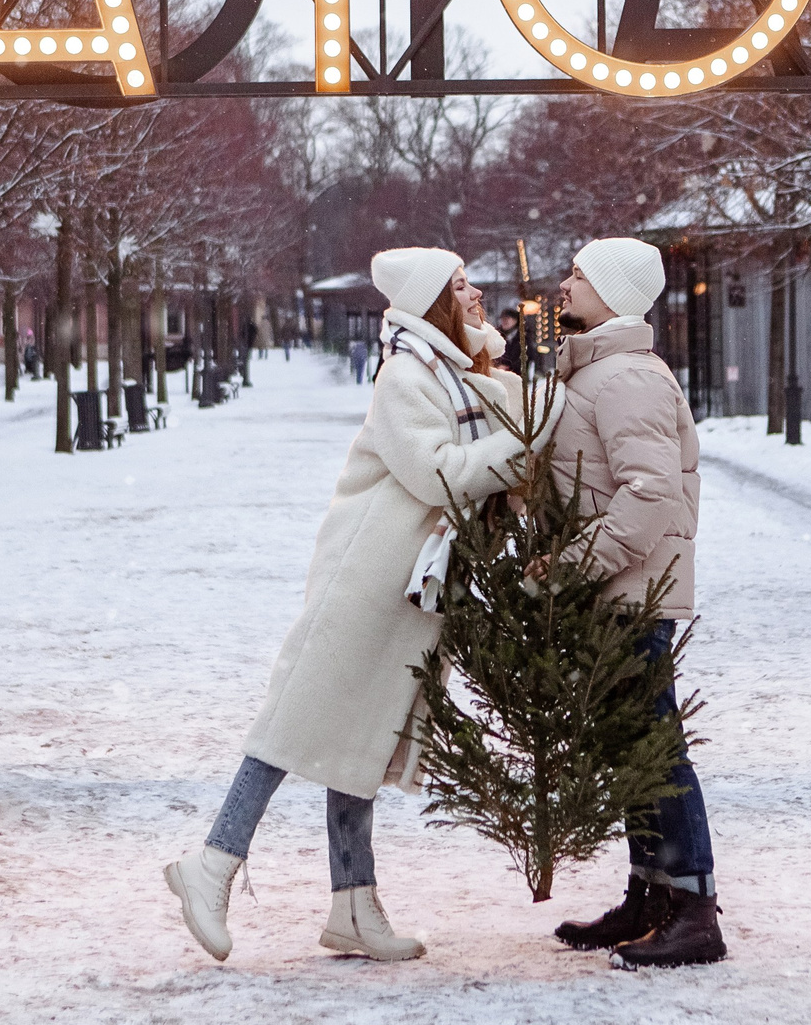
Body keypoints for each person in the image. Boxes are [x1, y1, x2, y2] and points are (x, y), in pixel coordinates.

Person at [166, 247, 542, 963]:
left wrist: (507, 390)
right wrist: (520, 449)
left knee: (360, 735)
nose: (475, 293)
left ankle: (352, 905)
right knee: (298, 718)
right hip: (367, 576)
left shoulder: (459, 372)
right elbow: (440, 473)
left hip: (413, 581)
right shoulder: (407, 376)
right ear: (432, 301)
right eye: (460, 286)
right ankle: (211, 865)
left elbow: (507, 432)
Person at [544, 237, 723, 969]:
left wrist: (571, 567)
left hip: (629, 591)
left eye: (578, 275)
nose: (564, 284)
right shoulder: (600, 369)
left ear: (614, 292)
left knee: (655, 747)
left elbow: (649, 495)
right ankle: (651, 894)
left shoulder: (627, 378)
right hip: (611, 588)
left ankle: (695, 911)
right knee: (633, 747)